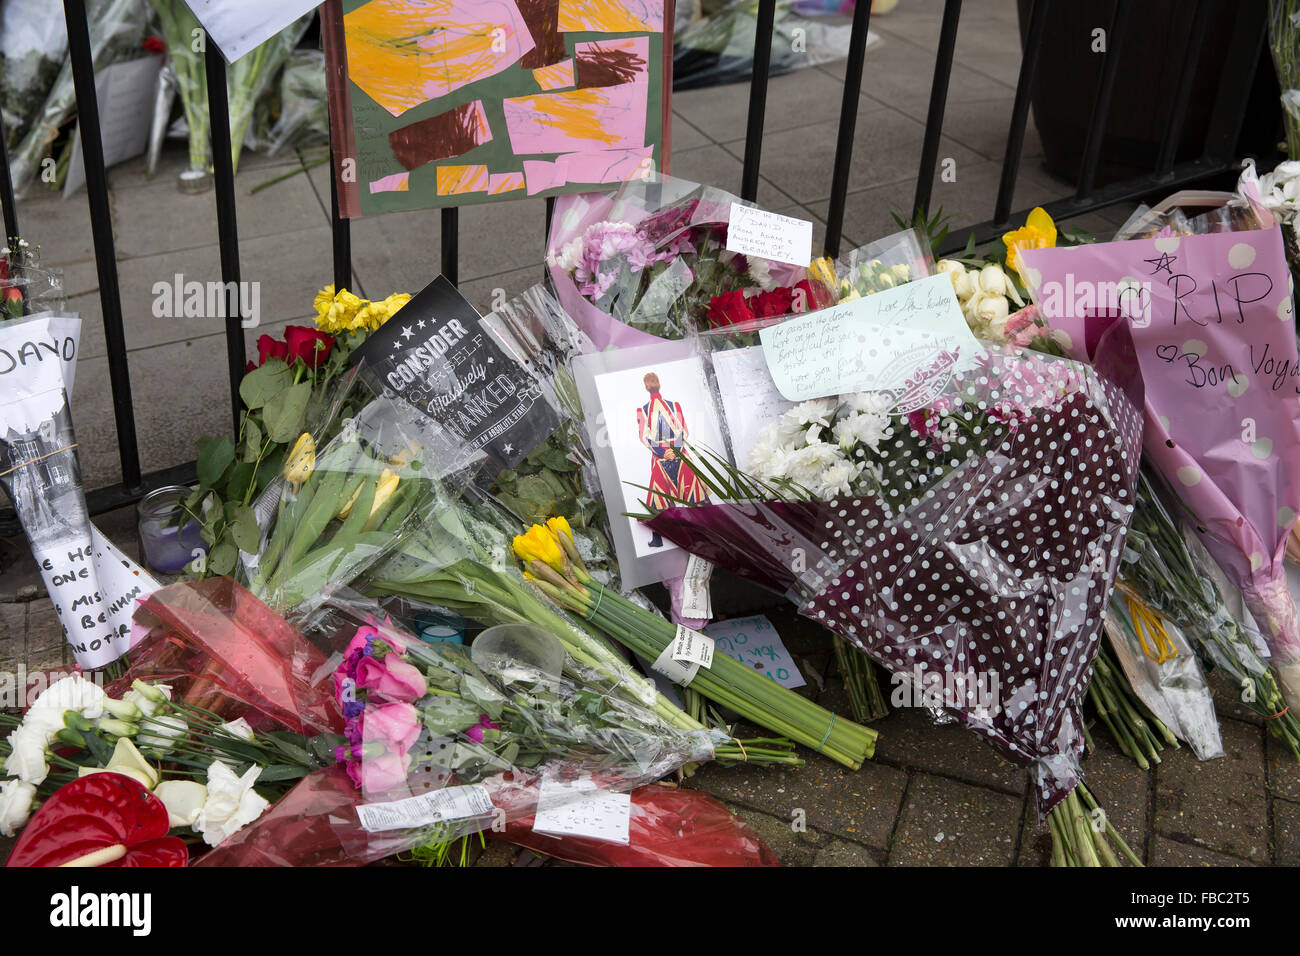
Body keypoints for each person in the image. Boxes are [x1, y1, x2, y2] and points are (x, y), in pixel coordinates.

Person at [637, 371, 707, 547]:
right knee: (661, 494)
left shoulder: (673, 406)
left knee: (692, 490)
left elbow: (682, 430)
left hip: (675, 453)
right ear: (648, 386)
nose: (652, 385)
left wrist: (672, 450)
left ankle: (707, 526)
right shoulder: (643, 410)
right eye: (650, 382)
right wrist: (664, 452)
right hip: (663, 456)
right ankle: (659, 537)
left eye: (653, 382)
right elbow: (645, 436)